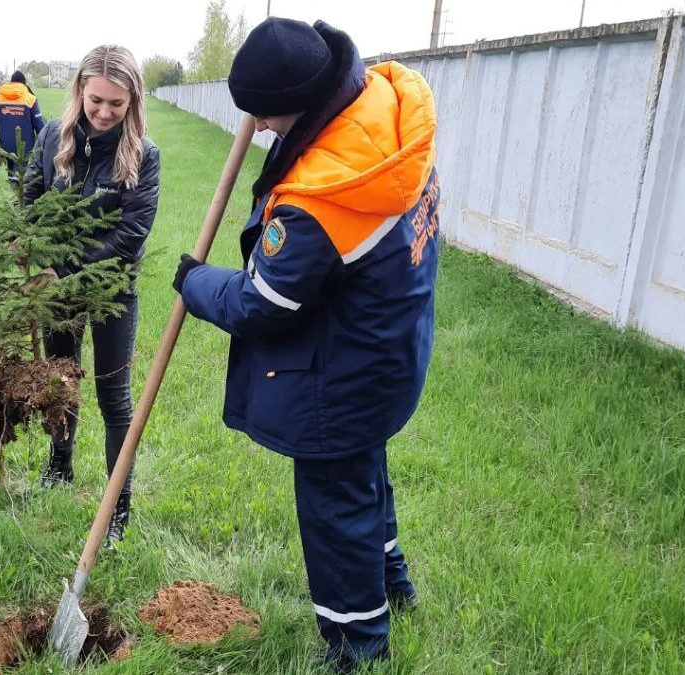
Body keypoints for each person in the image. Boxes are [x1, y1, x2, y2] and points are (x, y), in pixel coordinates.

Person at [173, 17, 439, 672]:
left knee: (334, 509)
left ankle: (357, 645)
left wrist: (195, 281)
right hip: (388, 347)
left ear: (296, 101)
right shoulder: (383, 109)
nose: (257, 129)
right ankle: (392, 582)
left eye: (262, 117)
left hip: (342, 375)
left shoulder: (324, 199)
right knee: (363, 475)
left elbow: (264, 303)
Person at [23, 45, 160, 547]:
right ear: (80, 89)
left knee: (114, 400)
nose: (103, 113)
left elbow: (130, 237)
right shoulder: (50, 138)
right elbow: (33, 202)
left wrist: (63, 266)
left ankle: (116, 508)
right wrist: (33, 252)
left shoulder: (143, 156)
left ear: (133, 103)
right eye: (96, 100)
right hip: (57, 291)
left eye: (116, 106)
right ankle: (59, 465)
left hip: (112, 293)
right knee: (62, 381)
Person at [0, 70, 45, 183]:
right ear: (24, 83)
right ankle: (20, 194)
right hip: (25, 146)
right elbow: (40, 125)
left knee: (12, 171)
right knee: (23, 177)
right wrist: (47, 141)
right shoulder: (30, 99)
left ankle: (14, 188)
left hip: (6, 144)